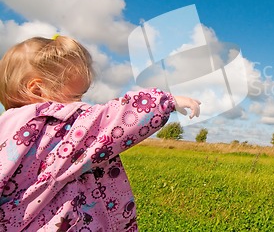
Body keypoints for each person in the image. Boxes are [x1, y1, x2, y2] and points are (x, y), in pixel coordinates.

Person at [0, 36, 201, 231]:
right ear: (37, 90)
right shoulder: (54, 126)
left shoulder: (9, 127)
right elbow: (110, 121)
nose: (82, 105)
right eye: (75, 96)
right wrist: (164, 101)